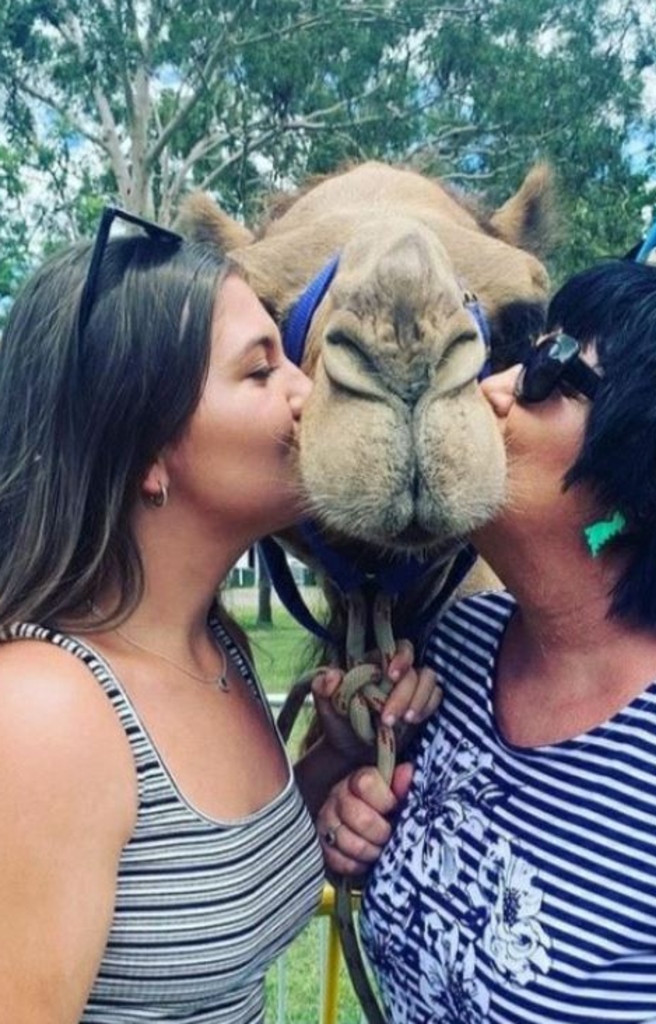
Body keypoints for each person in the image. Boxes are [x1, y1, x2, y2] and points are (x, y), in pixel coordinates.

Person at [0, 208, 439, 1023]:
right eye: (261, 370)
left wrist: (328, 768)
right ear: (148, 453)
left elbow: (190, 891)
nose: (308, 391)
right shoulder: (44, 714)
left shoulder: (213, 651)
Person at [318, 260, 656, 1023]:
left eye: (546, 375)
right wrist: (355, 791)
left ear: (651, 473)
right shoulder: (456, 647)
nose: (490, 390)